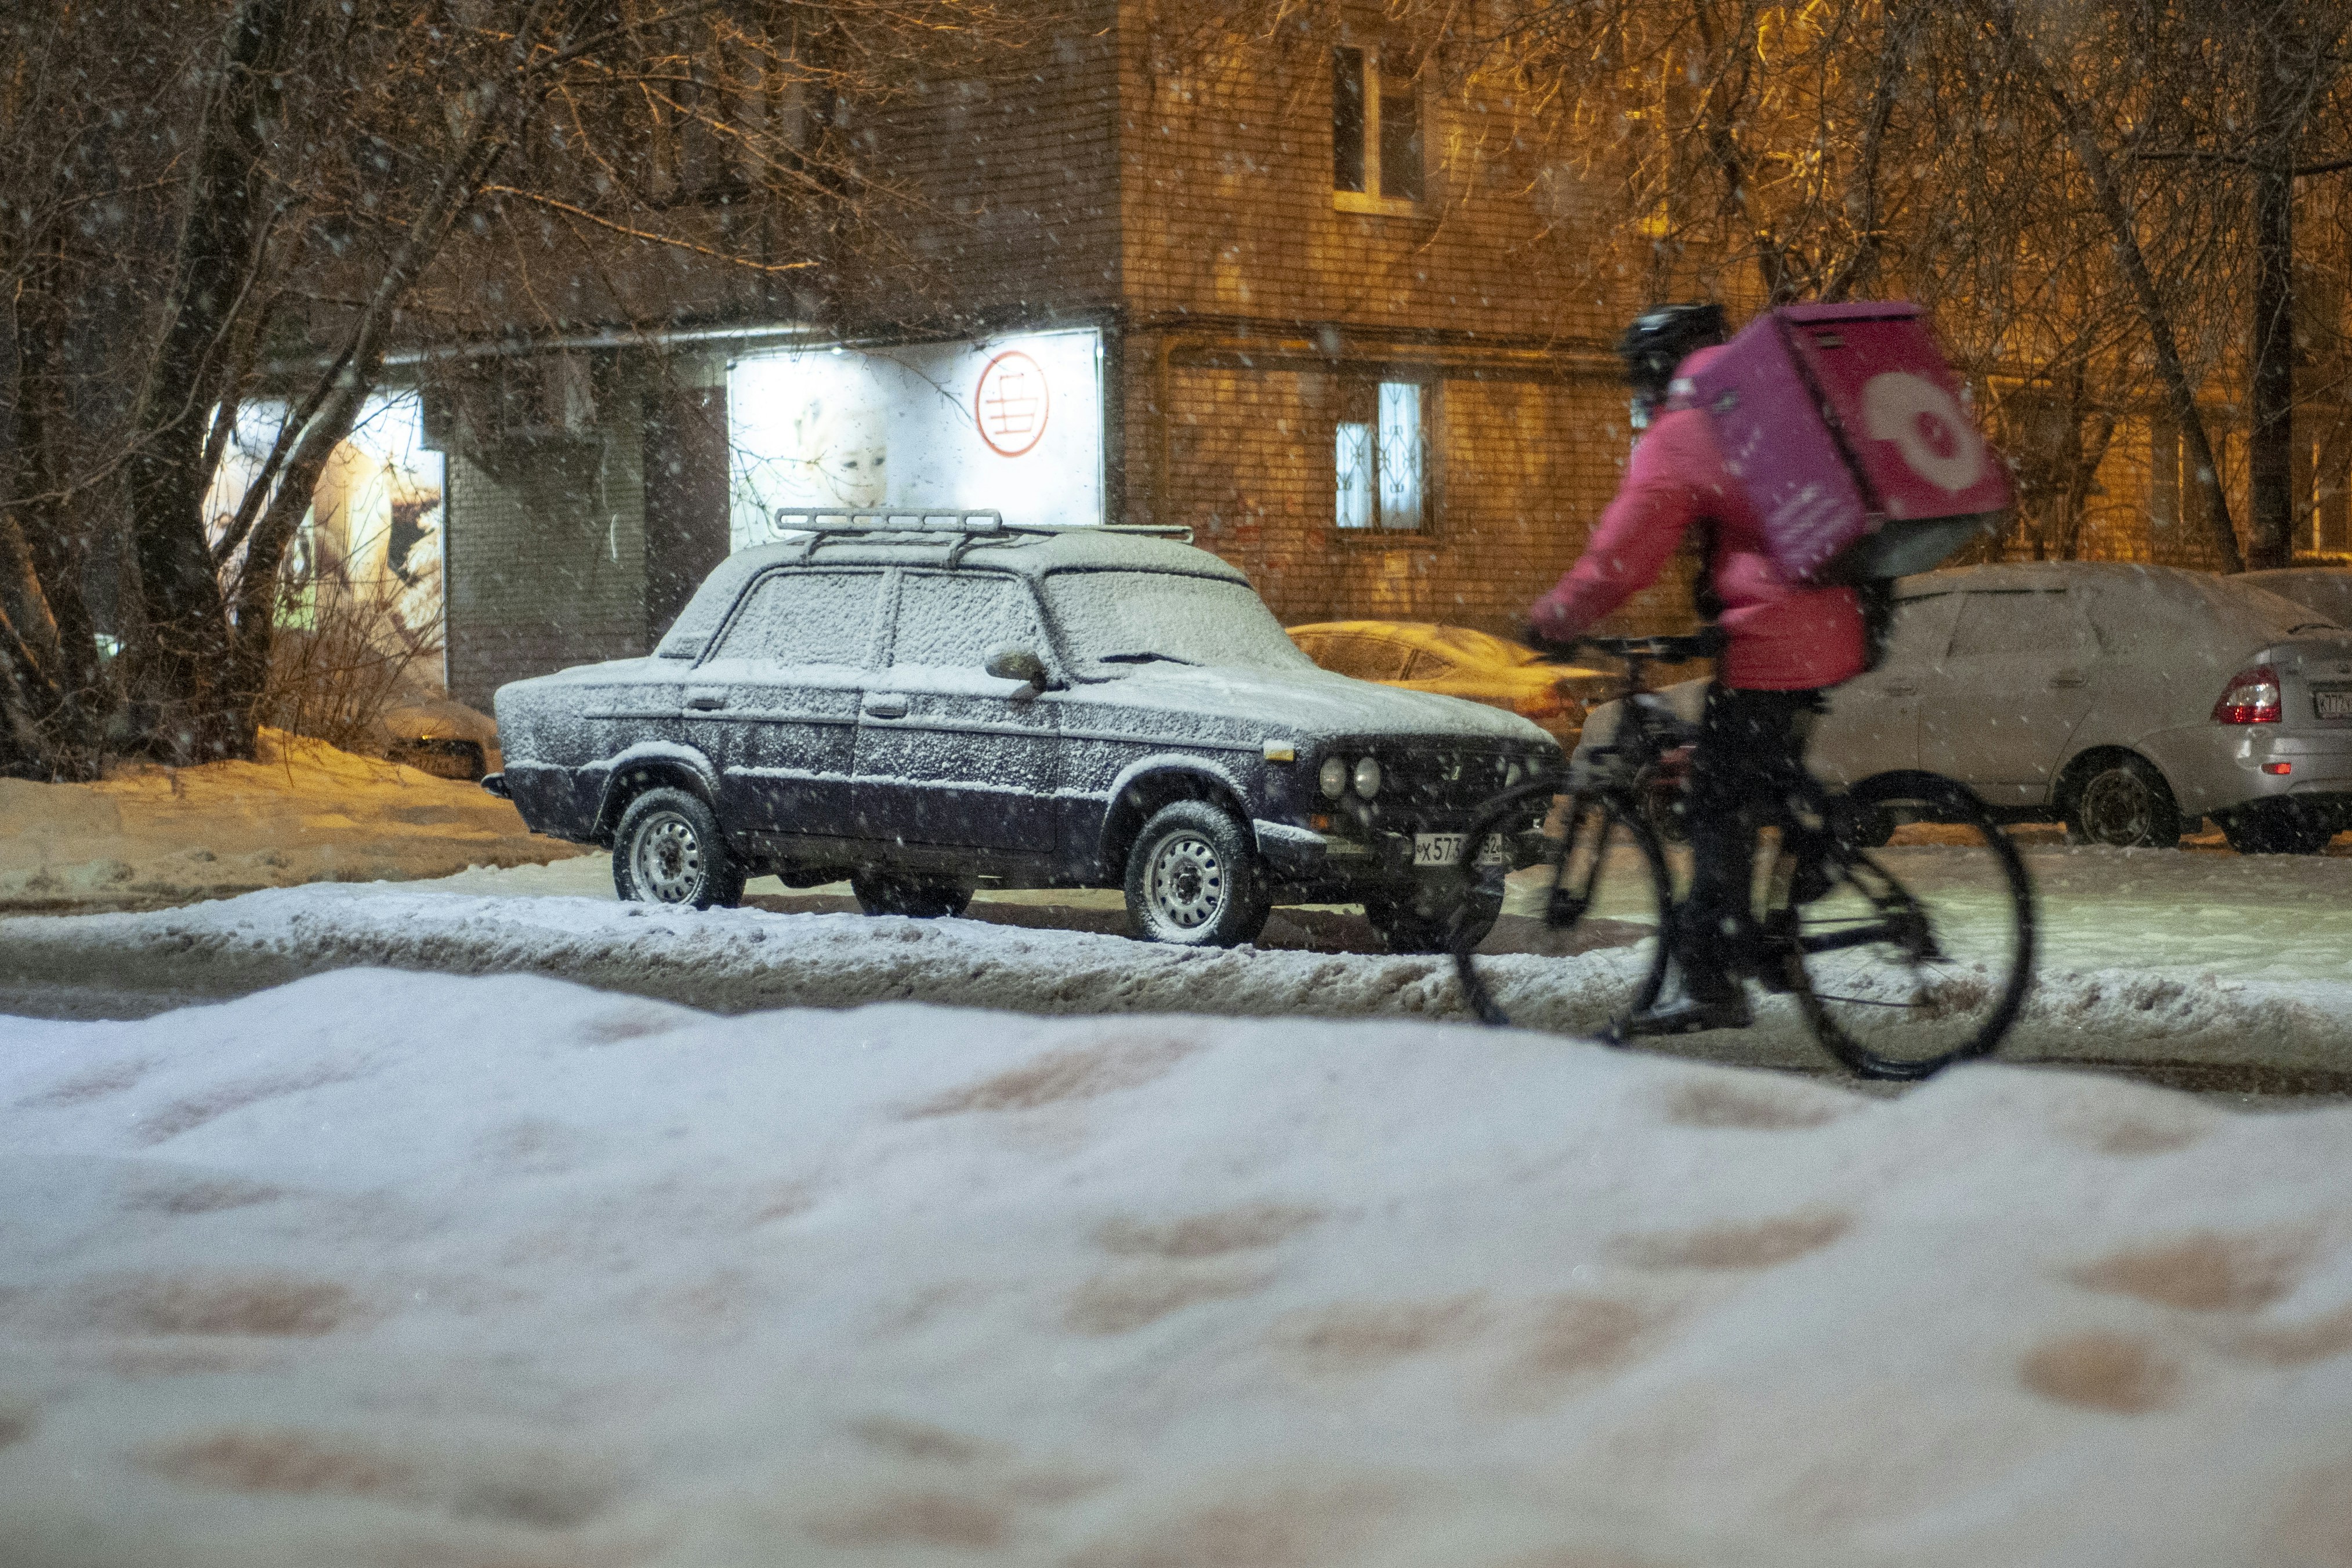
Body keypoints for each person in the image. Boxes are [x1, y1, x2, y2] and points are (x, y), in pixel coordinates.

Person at [1527, 303, 1869, 1036]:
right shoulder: (1754, 407)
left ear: (1654, 370)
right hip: (1843, 614)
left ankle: (1713, 979)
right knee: (1749, 780)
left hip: (1778, 635)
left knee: (1716, 802)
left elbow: (1623, 554)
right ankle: (1807, 859)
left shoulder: (1685, 428)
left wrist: (1555, 617)